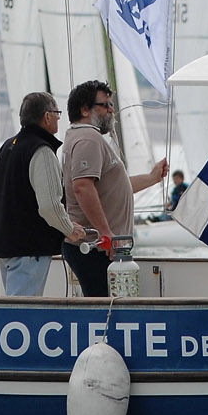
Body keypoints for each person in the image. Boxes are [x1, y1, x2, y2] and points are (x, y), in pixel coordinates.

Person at [60, 80, 169, 297]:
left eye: (111, 104)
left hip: (100, 246)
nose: (111, 110)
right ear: (84, 109)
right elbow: (82, 186)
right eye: (105, 105)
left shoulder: (82, 137)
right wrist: (106, 233)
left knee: (104, 305)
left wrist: (151, 178)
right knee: (102, 309)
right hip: (97, 247)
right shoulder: (88, 138)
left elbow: (114, 187)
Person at [0, 91, 91, 296]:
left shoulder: (8, 146)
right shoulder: (42, 151)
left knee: (13, 305)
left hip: (4, 244)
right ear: (47, 116)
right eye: (57, 113)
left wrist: (8, 217)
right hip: (29, 249)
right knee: (21, 312)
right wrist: (69, 229)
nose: (59, 118)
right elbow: (50, 205)